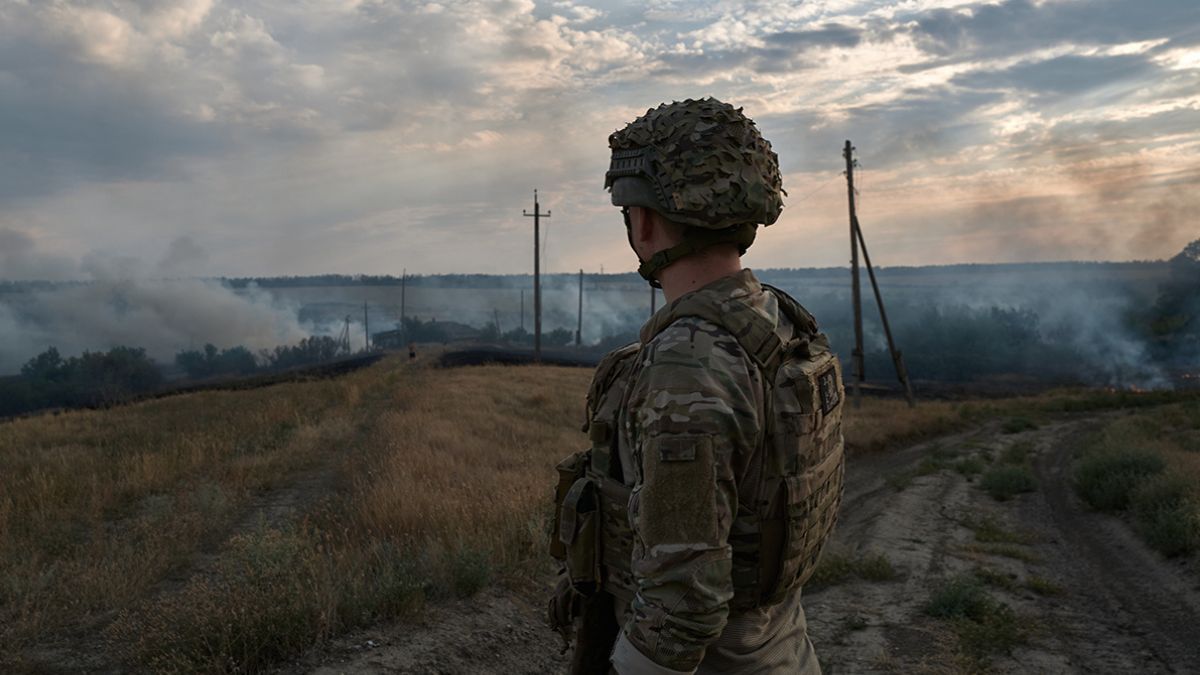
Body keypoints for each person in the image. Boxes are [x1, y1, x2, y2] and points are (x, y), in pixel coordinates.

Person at [549, 97, 845, 675]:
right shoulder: (778, 322)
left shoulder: (688, 362)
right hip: (782, 647)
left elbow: (682, 607)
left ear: (645, 220)